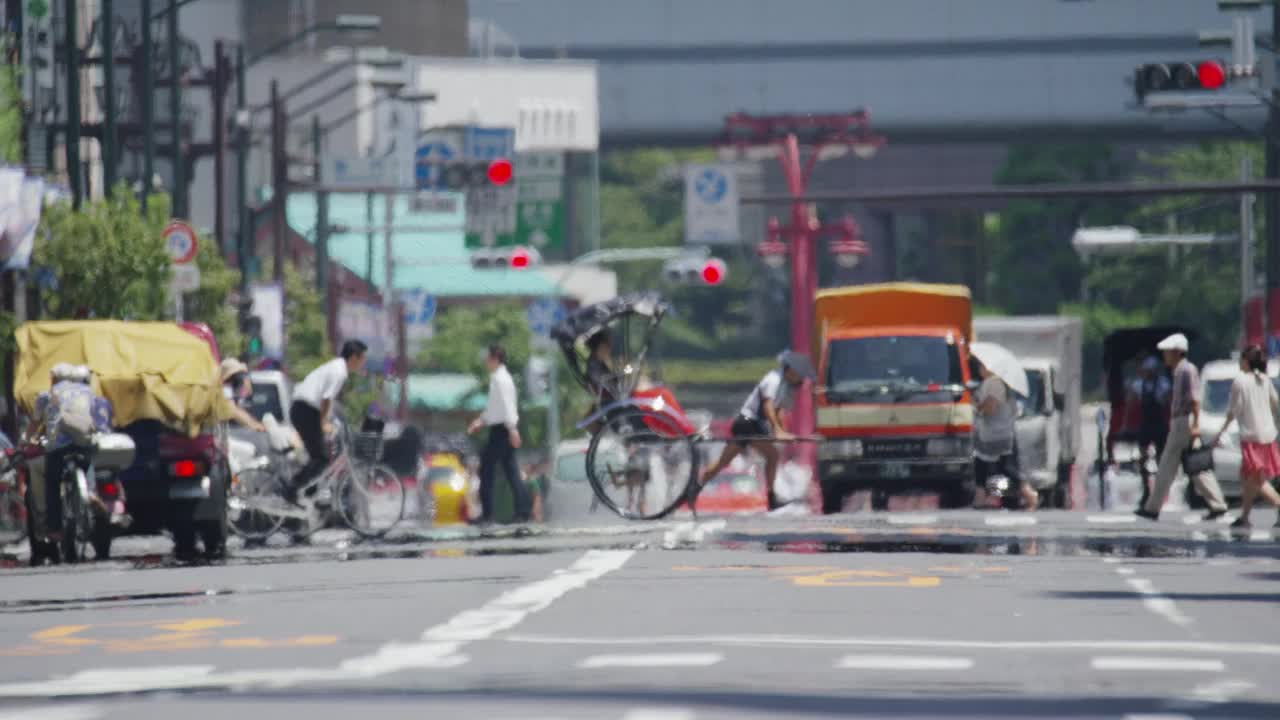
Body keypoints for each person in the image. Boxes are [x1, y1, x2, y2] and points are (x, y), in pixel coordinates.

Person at [693, 350, 815, 511]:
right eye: (799, 375)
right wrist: (777, 431)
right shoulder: (773, 379)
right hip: (747, 423)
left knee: (723, 463)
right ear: (791, 370)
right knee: (772, 455)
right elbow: (767, 405)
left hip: (754, 425)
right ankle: (771, 498)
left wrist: (783, 431)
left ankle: (694, 489)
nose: (800, 379)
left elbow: (779, 411)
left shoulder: (785, 386)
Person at [1137, 333, 1229, 521]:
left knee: (1167, 464)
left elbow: (1194, 399)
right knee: (1196, 466)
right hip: (1182, 421)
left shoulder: (1187, 370)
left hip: (1183, 421)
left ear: (1177, 352)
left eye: (1168, 352)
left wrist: (1195, 424)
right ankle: (1217, 504)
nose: (1165, 356)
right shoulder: (1180, 370)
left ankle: (1152, 508)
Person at [26, 364, 113, 562]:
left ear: (54, 378)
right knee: (86, 458)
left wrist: (26, 440)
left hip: (58, 446)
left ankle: (55, 528)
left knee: (52, 483)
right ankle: (90, 491)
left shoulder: (47, 395)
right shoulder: (88, 392)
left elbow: (35, 423)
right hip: (83, 442)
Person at [285, 340, 368, 505]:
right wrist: (323, 422)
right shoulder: (340, 372)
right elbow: (326, 399)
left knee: (320, 456)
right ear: (353, 357)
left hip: (304, 409)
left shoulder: (336, 367)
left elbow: (328, 402)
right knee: (321, 457)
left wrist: (331, 421)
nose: (363, 363)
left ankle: (308, 493)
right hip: (305, 410)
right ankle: (293, 490)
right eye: (362, 358)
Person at [1212, 345, 1280, 529]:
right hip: (1267, 435)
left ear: (1245, 361)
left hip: (1251, 436)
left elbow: (1233, 411)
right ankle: (1244, 516)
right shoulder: (1264, 379)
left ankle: (1277, 504)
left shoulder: (1240, 381)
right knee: (1248, 478)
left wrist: (1220, 434)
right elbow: (1275, 404)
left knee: (1256, 480)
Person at [467, 344, 531, 523]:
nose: (486, 361)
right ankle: (522, 510)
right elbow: (495, 407)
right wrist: (481, 421)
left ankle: (488, 514)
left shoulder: (500, 379)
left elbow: (507, 405)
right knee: (510, 470)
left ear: (495, 358)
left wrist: (512, 428)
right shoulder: (499, 377)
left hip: (502, 430)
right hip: (501, 427)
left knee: (486, 468)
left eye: (488, 357)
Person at [972, 357, 1038, 511]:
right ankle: (982, 497)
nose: (980, 369)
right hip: (996, 434)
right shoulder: (997, 383)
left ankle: (1029, 495)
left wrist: (977, 405)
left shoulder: (994, 383)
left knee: (1003, 468)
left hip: (996, 435)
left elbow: (990, 408)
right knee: (987, 466)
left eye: (982, 366)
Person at [1132, 355, 1171, 509]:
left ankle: (1159, 492)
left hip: (1158, 424)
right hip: (1145, 424)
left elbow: (1167, 400)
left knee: (1161, 458)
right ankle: (1146, 489)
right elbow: (1133, 401)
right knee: (1142, 457)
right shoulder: (1139, 384)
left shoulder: (1162, 384)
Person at [220, 358, 266, 433]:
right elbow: (233, 410)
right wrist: (254, 425)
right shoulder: (225, 389)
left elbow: (238, 409)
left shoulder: (232, 391)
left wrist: (255, 424)